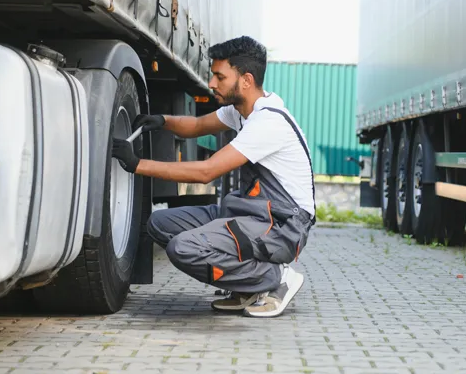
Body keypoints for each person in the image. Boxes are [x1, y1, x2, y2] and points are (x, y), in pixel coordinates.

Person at [111, 36, 315, 318]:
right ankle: (247, 288)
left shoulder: (267, 122)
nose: (211, 83)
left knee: (183, 248)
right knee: (160, 223)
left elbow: (207, 172)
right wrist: (160, 120)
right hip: (254, 214)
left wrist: (137, 164)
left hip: (282, 225)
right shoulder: (241, 111)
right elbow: (196, 125)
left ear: (246, 79)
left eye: (220, 76)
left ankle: (274, 278)